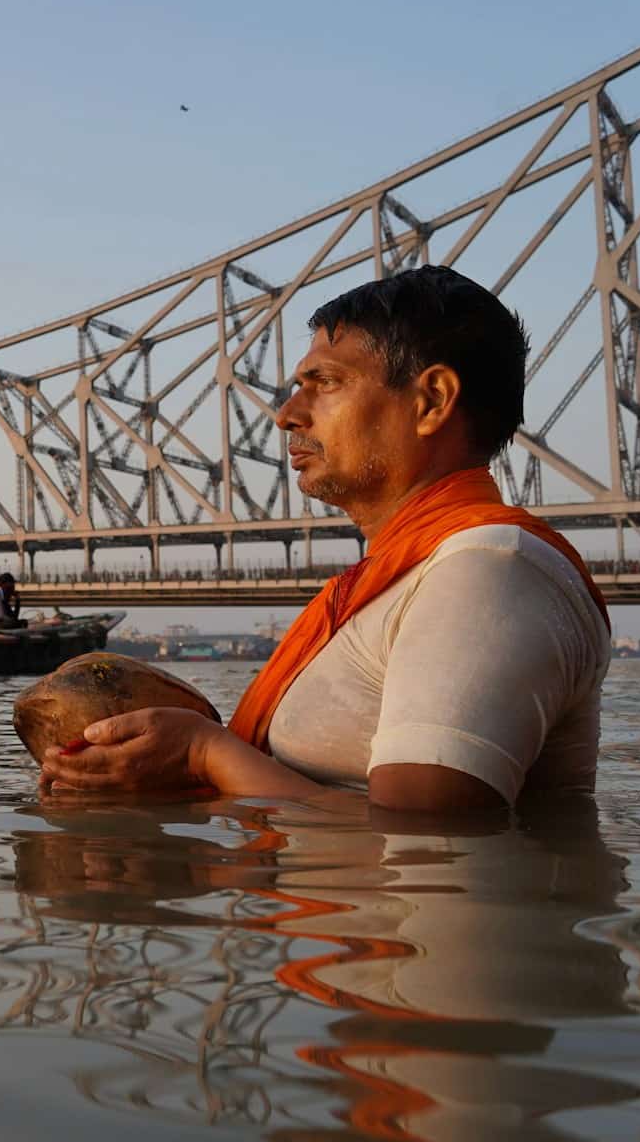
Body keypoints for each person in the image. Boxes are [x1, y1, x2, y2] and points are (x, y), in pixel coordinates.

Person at [40, 265, 610, 814]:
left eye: (327, 383)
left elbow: (432, 851)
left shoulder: (488, 571)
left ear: (432, 400)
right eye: (297, 388)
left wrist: (202, 753)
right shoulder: (408, 578)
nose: (287, 415)